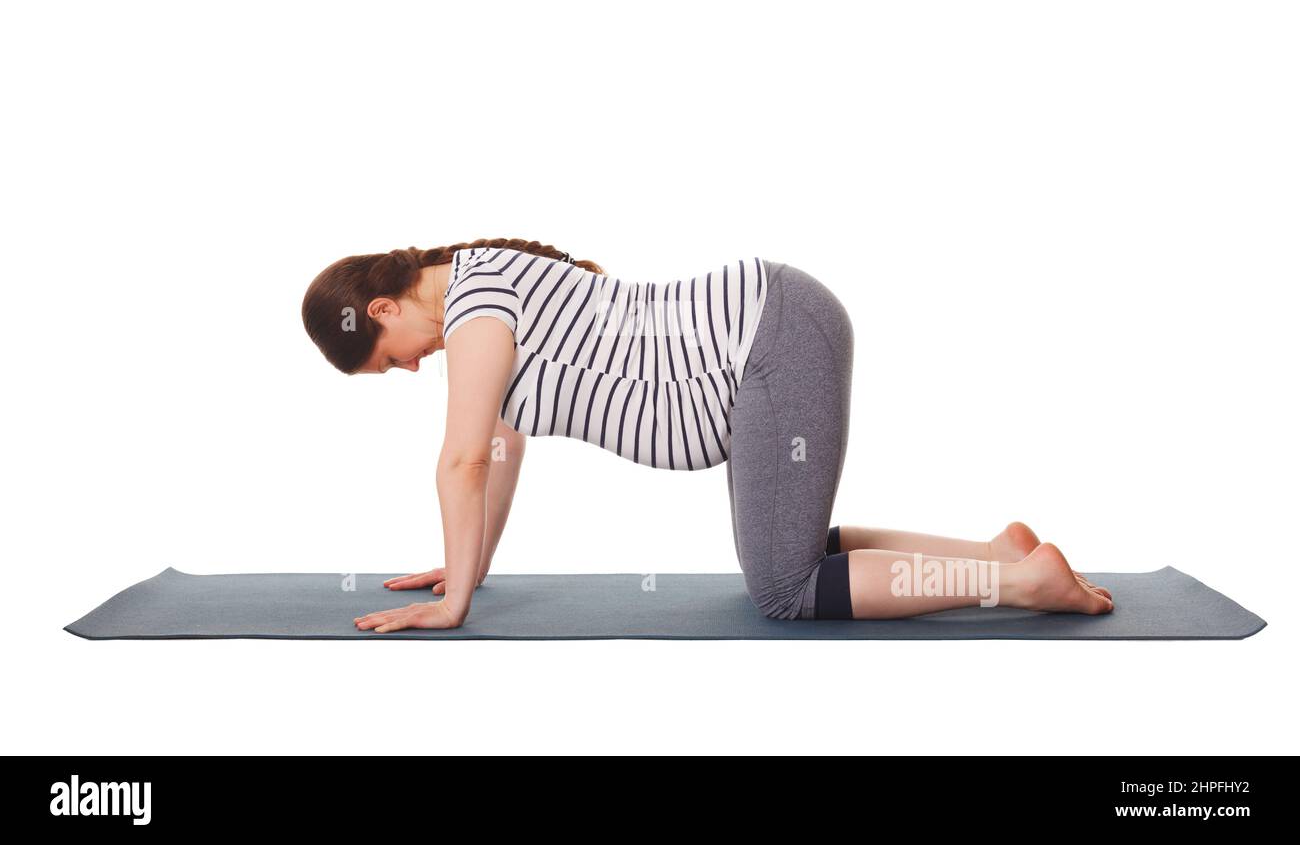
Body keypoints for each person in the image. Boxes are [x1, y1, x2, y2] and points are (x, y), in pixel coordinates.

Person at [301, 237, 1114, 632]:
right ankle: (999, 554)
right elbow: (502, 449)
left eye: (387, 361)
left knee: (784, 588)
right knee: (792, 549)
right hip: (775, 329)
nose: (408, 371)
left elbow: (463, 460)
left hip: (773, 339)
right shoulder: (485, 293)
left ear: (382, 310)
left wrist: (453, 609)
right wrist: (467, 564)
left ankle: (1019, 588)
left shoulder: (477, 308)